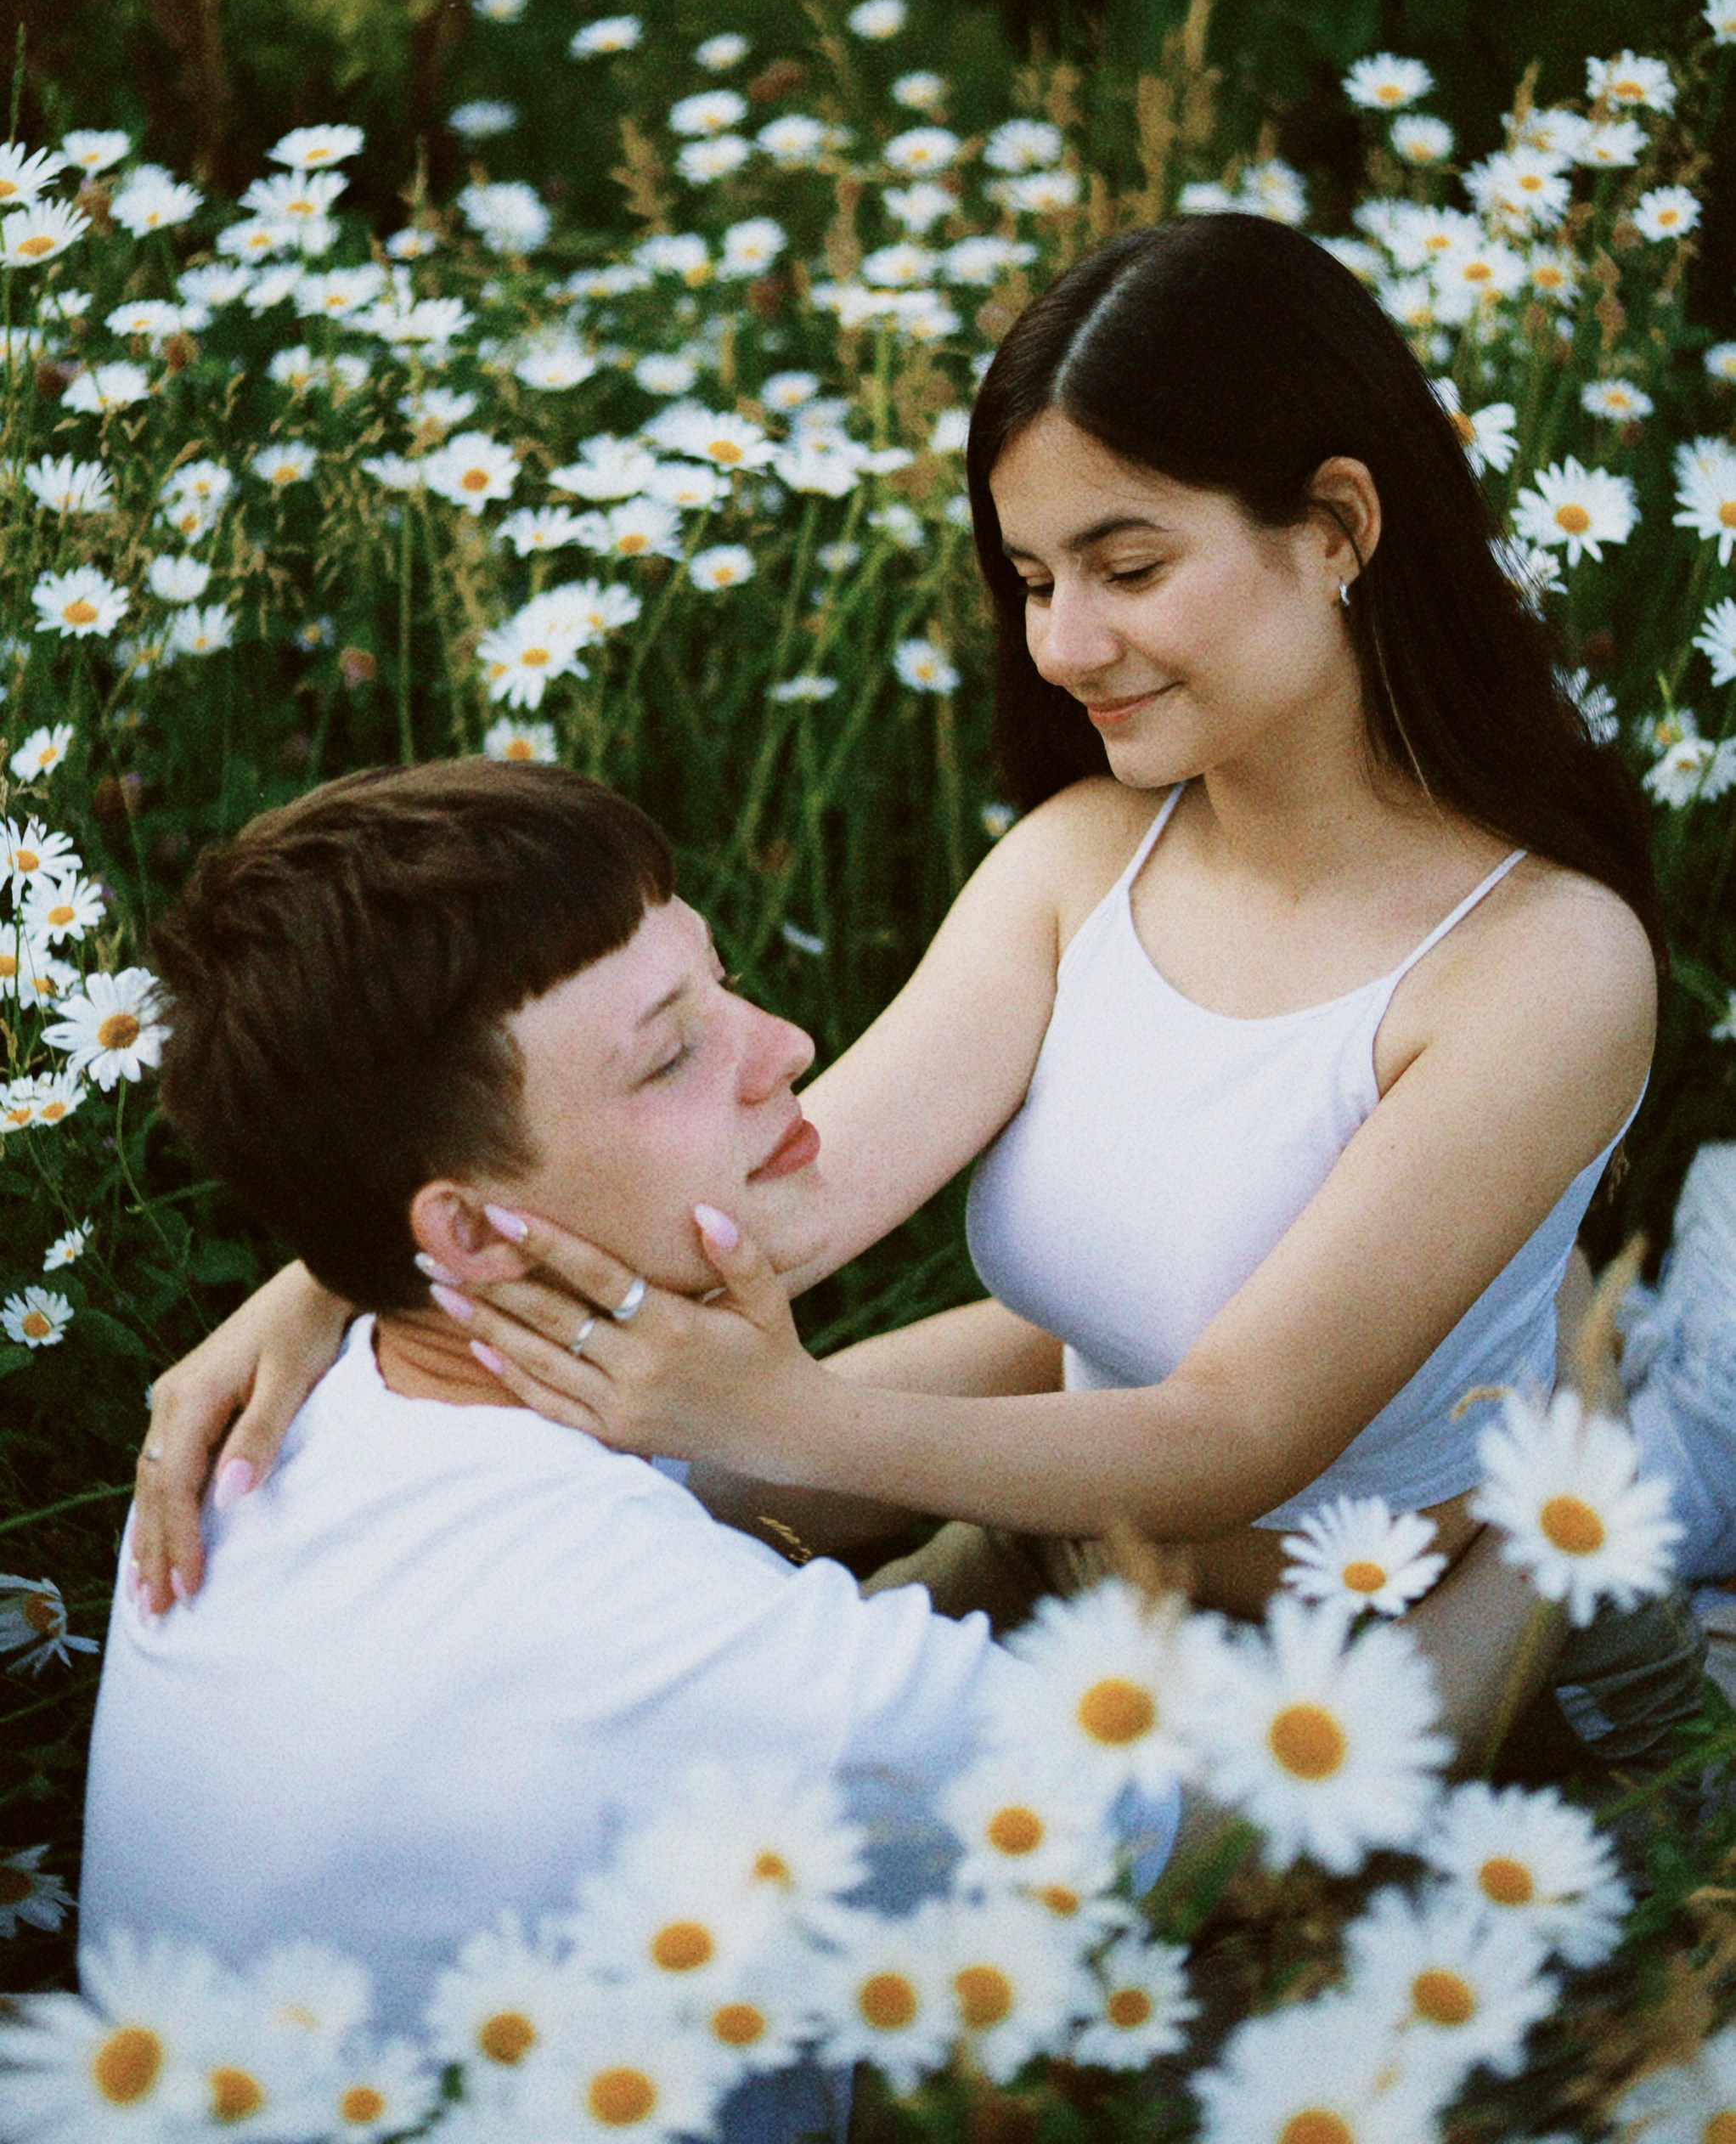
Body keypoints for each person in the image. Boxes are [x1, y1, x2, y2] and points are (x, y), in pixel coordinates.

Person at [132, 217, 1705, 1753]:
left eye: (1129, 565)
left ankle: (1651, 1421)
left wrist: (778, 1421)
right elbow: (764, 1201)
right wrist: (342, 1265)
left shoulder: (1540, 964)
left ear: (1341, 527)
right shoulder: (1084, 861)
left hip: (1412, 1672)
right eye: (1030, 579)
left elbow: (1238, 1434)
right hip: (1066, 1558)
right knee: (537, 1601)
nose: (1066, 643)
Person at [80, 760, 1101, 2079]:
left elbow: (788, 1449)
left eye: (720, 983)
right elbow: (1239, 1838)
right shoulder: (672, 1638)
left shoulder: (325, 1410)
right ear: (465, 1231)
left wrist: (1157, 1337)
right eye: (672, 1052)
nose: (786, 1047)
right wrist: (1466, 1486)